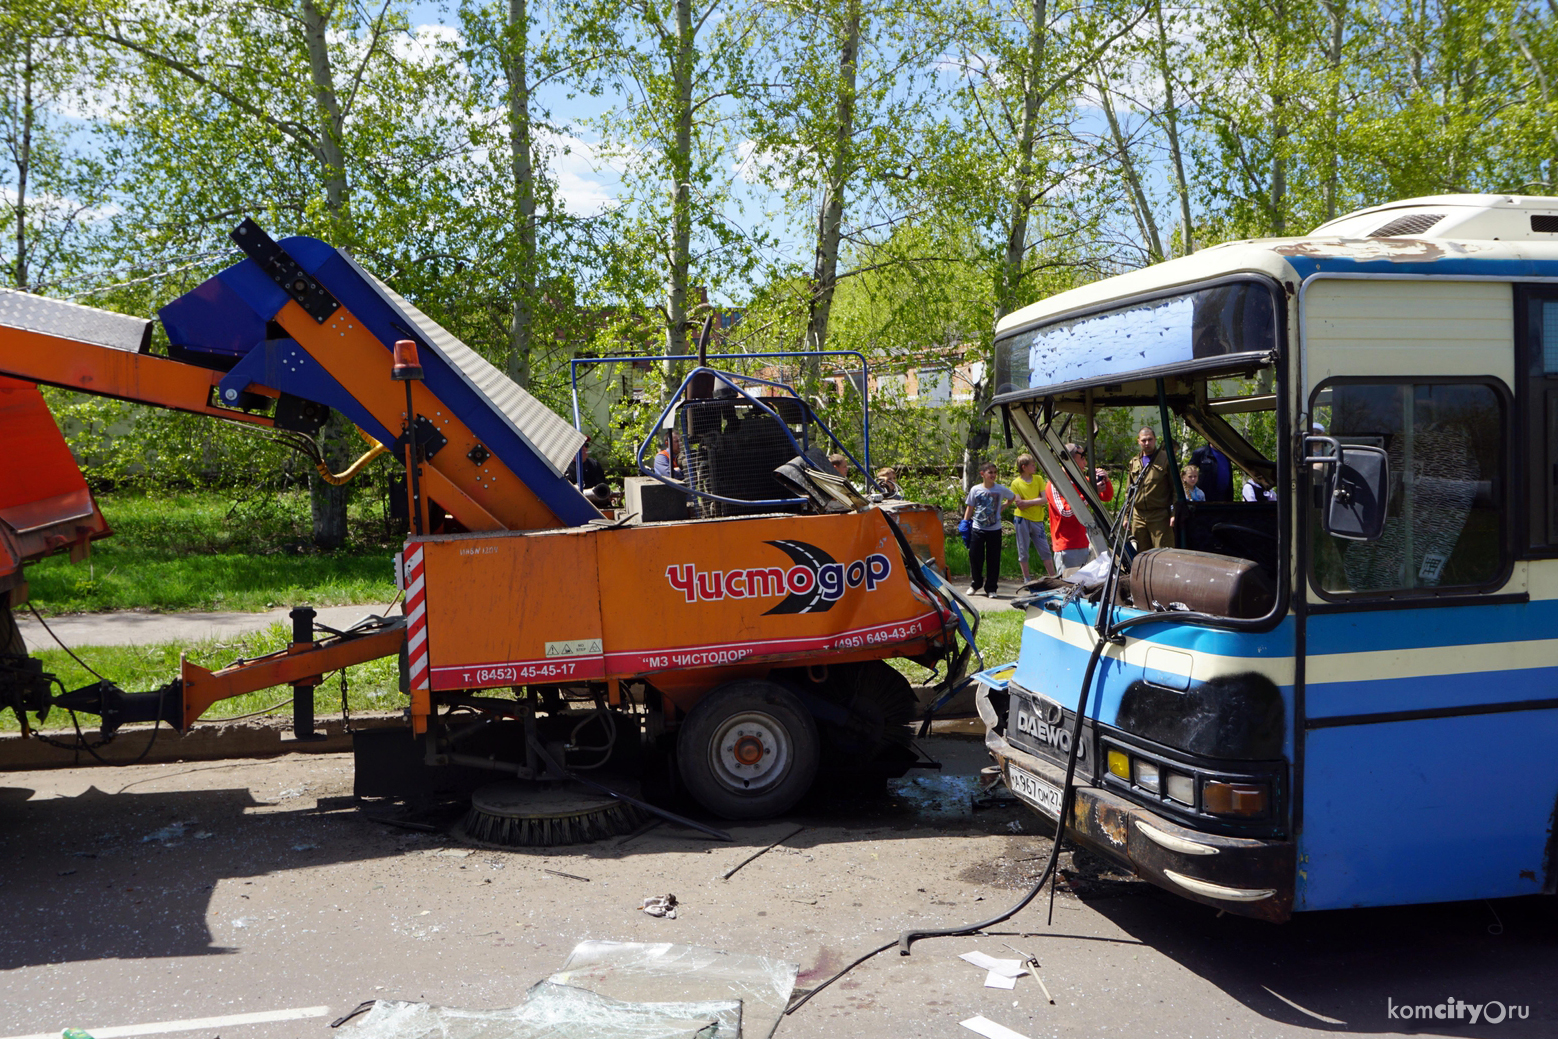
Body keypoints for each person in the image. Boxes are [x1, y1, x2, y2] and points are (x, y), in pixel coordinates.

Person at [1046, 442, 1113, 572]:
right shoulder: (1055, 484)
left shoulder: (1081, 481)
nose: (1085, 463)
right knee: (1070, 587)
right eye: (1082, 458)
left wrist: (1106, 480)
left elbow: (1106, 496)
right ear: (1070, 460)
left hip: (1084, 543)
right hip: (1067, 546)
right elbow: (1067, 513)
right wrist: (1091, 493)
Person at [962, 461, 1017, 597]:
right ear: (983, 474)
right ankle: (975, 584)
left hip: (995, 529)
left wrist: (1002, 508)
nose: (993, 475)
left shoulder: (1000, 489)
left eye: (994, 472)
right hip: (977, 528)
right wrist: (964, 522)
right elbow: (970, 507)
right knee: (975, 558)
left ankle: (991, 588)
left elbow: (1012, 497)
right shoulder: (976, 489)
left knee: (993, 559)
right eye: (990, 472)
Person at [1126, 427, 1174, 551]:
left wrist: (1174, 514)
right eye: (1144, 440)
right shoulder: (1134, 462)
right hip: (1139, 516)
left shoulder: (1166, 459)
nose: (1147, 443)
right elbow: (1129, 492)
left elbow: (1176, 490)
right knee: (1140, 554)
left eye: (1150, 440)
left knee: (1162, 552)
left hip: (1159, 515)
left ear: (1155, 440)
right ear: (1138, 441)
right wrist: (1126, 516)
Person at [1008, 454, 1052, 582]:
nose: (1035, 467)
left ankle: (1052, 576)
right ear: (1024, 467)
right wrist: (1034, 501)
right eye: (1032, 465)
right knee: (1023, 550)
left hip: (1037, 519)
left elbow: (1044, 499)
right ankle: (1026, 578)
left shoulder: (1038, 479)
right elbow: (1019, 504)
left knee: (1045, 549)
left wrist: (1027, 502)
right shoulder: (1016, 483)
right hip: (1022, 520)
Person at [1171, 462, 1204, 528]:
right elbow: (1173, 506)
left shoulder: (1200, 493)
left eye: (1195, 476)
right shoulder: (1179, 491)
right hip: (1182, 521)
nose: (1193, 479)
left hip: (1196, 522)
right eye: (1190, 477)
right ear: (1184, 478)